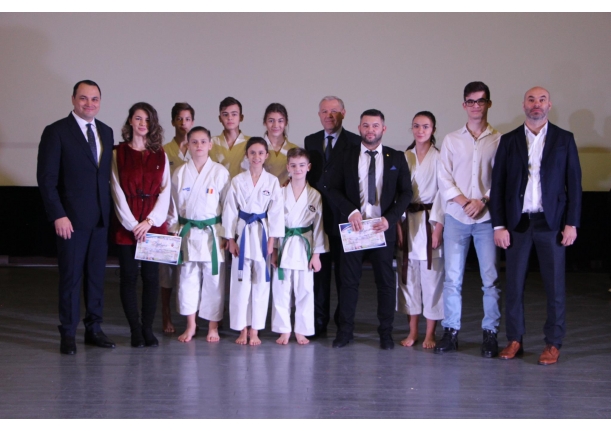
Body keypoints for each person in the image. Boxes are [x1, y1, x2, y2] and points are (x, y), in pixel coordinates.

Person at [491, 86, 582, 365]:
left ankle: (553, 343)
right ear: (524, 105)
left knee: (555, 287)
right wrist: (499, 225)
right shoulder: (509, 140)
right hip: (517, 224)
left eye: (542, 100)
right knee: (514, 285)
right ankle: (514, 339)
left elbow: (574, 185)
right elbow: (498, 186)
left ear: (549, 105)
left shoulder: (564, 139)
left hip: (550, 223)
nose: (536, 104)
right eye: (531, 100)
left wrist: (572, 223)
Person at [37, 80, 116, 355]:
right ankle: (68, 333)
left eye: (95, 99)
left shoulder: (106, 131)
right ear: (73, 99)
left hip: (100, 220)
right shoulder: (56, 131)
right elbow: (46, 179)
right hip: (70, 221)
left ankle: (94, 329)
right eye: (83, 98)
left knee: (96, 278)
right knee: (71, 279)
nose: (89, 104)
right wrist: (58, 215)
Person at [327, 109, 412, 350]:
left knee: (385, 283)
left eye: (375, 125)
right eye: (366, 125)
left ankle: (386, 333)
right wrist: (350, 211)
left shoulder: (396, 157)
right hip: (354, 228)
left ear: (383, 129)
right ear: (359, 128)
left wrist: (390, 219)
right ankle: (345, 332)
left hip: (380, 228)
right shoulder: (346, 155)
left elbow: (406, 192)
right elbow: (331, 188)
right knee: (348, 283)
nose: (370, 130)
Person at [435, 81, 501, 358]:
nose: (476, 106)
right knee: (452, 279)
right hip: (456, 218)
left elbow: (501, 178)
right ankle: (450, 332)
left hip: (486, 219)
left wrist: (482, 201)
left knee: (490, 280)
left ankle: (490, 334)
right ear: (464, 105)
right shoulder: (452, 139)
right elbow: (444, 177)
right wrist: (465, 202)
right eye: (471, 101)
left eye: (480, 101)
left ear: (488, 104)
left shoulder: (499, 140)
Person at [110, 102, 171, 348]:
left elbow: (165, 190)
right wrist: (132, 224)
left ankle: (147, 328)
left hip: (153, 223)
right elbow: (116, 190)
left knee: (151, 277)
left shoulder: (160, 154)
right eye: (138, 118)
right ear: (130, 121)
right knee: (128, 277)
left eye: (147, 119)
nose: (142, 123)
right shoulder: (118, 153)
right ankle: (135, 329)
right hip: (128, 224)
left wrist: (149, 221)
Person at [304, 96, 360, 337]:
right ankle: (318, 323)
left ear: (343, 113)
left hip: (346, 219)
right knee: (319, 275)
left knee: (345, 277)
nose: (329, 115)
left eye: (334, 111)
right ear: (319, 114)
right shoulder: (311, 140)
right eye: (324, 111)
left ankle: (343, 324)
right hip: (318, 220)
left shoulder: (355, 142)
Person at [167, 126, 230, 343]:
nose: (199, 146)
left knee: (214, 281)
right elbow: (173, 206)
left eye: (203, 141)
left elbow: (228, 206)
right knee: (187, 280)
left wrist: (227, 235)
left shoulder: (220, 172)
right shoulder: (180, 173)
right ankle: (191, 325)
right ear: (188, 145)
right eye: (194, 142)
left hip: (213, 233)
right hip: (188, 233)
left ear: (210, 144)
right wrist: (173, 231)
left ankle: (213, 326)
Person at [222, 137, 284, 345]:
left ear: (266, 155)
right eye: (252, 153)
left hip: (262, 235)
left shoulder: (272, 181)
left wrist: (272, 241)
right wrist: (230, 239)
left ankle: (255, 329)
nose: (256, 157)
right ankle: (242, 329)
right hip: (242, 233)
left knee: (261, 284)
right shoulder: (238, 180)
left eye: (260, 153)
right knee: (240, 284)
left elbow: (276, 213)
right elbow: (230, 210)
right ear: (247, 155)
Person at [395, 111, 445, 349]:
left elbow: (443, 194)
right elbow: (396, 193)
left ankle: (430, 333)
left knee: (432, 279)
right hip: (407, 221)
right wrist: (398, 225)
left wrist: (438, 228)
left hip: (430, 221)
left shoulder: (440, 157)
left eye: (425, 126)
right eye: (416, 126)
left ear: (433, 129)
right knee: (408, 278)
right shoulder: (404, 157)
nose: (420, 130)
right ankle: (413, 331)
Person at [271, 148, 327, 345]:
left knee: (305, 291)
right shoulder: (280, 192)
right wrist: (274, 250)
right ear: (288, 167)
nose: (298, 169)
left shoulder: (314, 195)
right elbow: (274, 223)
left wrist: (317, 255)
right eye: (293, 165)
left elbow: (319, 226)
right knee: (281, 290)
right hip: (284, 244)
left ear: (308, 167)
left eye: (302, 165)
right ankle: (284, 329)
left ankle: (302, 330)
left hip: (305, 247)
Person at [160, 102, 194, 334]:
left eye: (188, 119)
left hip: (192, 220)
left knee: (191, 270)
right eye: (179, 119)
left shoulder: (199, 149)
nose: (183, 123)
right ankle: (166, 315)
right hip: (168, 218)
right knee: (167, 273)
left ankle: (193, 319)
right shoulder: (163, 151)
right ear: (173, 121)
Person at [210, 97, 250, 179]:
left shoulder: (251, 143)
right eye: (225, 114)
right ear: (220, 118)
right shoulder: (210, 143)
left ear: (241, 117)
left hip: (243, 186)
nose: (229, 118)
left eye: (234, 114)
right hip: (217, 186)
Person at [262, 103, 297, 185]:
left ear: (286, 122)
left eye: (280, 121)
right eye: (271, 121)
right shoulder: (256, 149)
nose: (276, 125)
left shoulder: (295, 150)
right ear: (265, 122)